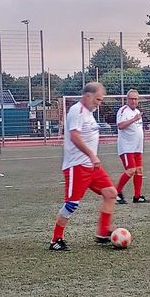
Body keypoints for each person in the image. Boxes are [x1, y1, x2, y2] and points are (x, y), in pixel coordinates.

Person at [49, 82, 118, 251]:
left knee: (110, 193)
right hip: (77, 166)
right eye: (97, 99)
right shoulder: (77, 111)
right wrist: (92, 155)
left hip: (91, 167)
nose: (99, 103)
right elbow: (74, 136)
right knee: (71, 204)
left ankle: (102, 233)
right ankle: (56, 240)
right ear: (88, 96)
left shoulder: (89, 113)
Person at [114, 89, 149, 204]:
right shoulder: (123, 110)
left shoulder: (137, 112)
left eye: (135, 99)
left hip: (137, 148)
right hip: (127, 148)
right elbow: (120, 126)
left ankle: (137, 197)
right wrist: (133, 119)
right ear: (127, 100)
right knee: (131, 170)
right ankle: (116, 193)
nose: (133, 101)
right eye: (131, 99)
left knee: (139, 171)